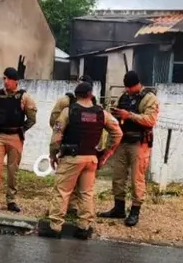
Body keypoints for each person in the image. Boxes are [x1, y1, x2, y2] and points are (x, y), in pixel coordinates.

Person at [38, 81, 122, 239]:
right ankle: (84, 227)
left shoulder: (69, 111)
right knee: (86, 193)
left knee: (62, 191)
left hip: (71, 158)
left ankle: (55, 226)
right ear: (91, 95)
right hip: (91, 158)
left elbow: (56, 136)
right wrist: (106, 154)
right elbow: (118, 133)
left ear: (76, 96)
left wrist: (52, 155)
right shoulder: (101, 113)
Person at [98, 71, 159, 227]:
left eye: (129, 87)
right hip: (122, 142)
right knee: (118, 176)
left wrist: (129, 115)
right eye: (126, 87)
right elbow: (118, 113)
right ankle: (118, 208)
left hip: (139, 143)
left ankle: (135, 211)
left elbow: (150, 120)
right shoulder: (123, 97)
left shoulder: (149, 98)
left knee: (137, 179)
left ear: (136, 84)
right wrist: (115, 115)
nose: (127, 90)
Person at [0, 67, 37, 213]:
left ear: (15, 81)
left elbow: (32, 118)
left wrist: (22, 130)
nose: (5, 82)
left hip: (15, 138)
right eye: (4, 79)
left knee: (13, 172)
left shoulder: (24, 97)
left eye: (7, 79)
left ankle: (11, 200)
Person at [49, 74, 99, 216]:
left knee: (66, 185)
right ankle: (78, 215)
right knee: (83, 189)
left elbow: (55, 123)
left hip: (74, 151)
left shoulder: (71, 103)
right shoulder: (93, 106)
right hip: (85, 150)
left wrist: (56, 144)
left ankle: (61, 217)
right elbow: (54, 121)